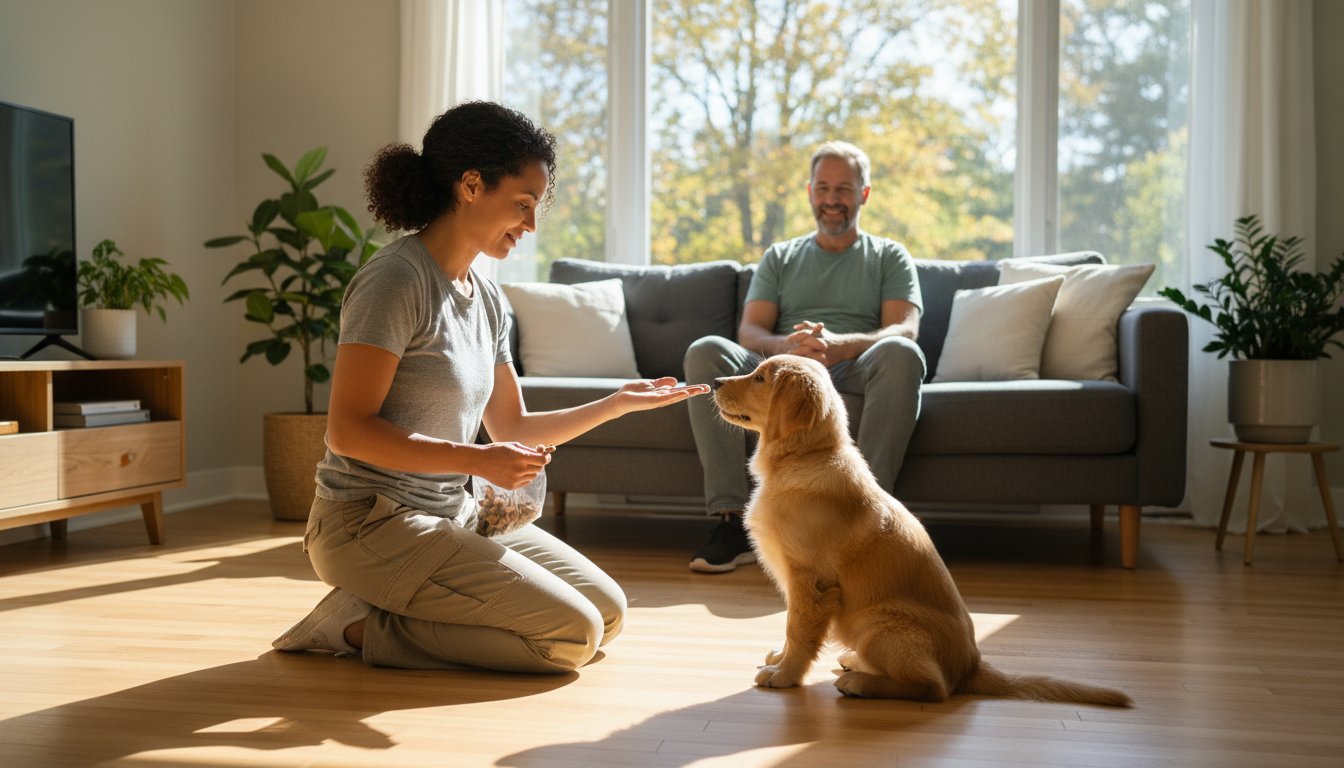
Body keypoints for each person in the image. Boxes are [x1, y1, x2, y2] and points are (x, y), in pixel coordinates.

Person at [272, 101, 708, 672]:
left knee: (609, 613)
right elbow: (348, 431)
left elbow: (515, 427)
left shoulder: (489, 298)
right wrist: (478, 459)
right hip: (368, 523)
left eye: (536, 208)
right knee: (571, 637)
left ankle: (394, 603)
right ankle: (354, 627)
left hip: (452, 515)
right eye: (522, 204)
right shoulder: (395, 281)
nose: (531, 225)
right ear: (471, 185)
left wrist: (617, 403)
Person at [684, 140, 925, 574]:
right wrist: (787, 349)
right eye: (824, 188)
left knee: (902, 352)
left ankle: (868, 518)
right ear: (810, 192)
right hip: (782, 371)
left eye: (844, 189)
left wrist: (841, 345)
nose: (833, 200)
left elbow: (903, 327)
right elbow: (751, 331)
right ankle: (732, 520)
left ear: (864, 194)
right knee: (707, 351)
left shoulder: (889, 256)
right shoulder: (780, 257)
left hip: (853, 367)